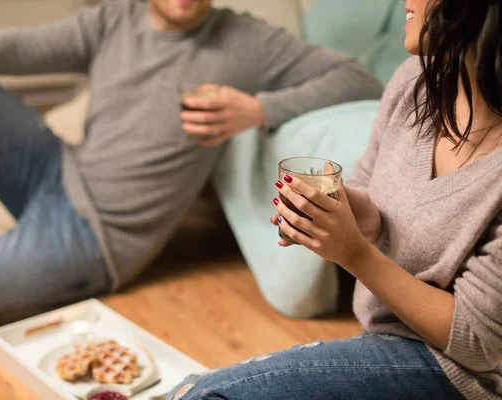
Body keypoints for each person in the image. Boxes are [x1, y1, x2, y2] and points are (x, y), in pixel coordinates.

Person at [0, 0, 382, 318]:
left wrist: (258, 110)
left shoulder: (246, 40)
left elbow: (356, 76)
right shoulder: (115, 18)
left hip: (94, 240)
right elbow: (20, 47)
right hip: (54, 169)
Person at [166, 0, 502, 399]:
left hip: (459, 378)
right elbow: (371, 192)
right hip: (385, 342)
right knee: (190, 390)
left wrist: (355, 253)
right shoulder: (415, 81)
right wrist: (355, 214)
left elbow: (478, 342)